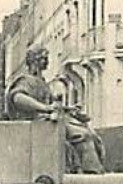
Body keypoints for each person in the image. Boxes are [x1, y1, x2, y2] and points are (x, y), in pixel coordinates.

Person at [6, 45, 105, 174]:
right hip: (38, 122)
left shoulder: (41, 81)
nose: (47, 62)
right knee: (82, 135)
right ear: (35, 60)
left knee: (91, 134)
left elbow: (53, 103)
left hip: (51, 118)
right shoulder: (25, 80)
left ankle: (92, 170)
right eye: (44, 58)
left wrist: (69, 109)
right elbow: (18, 98)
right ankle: (91, 172)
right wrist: (45, 108)